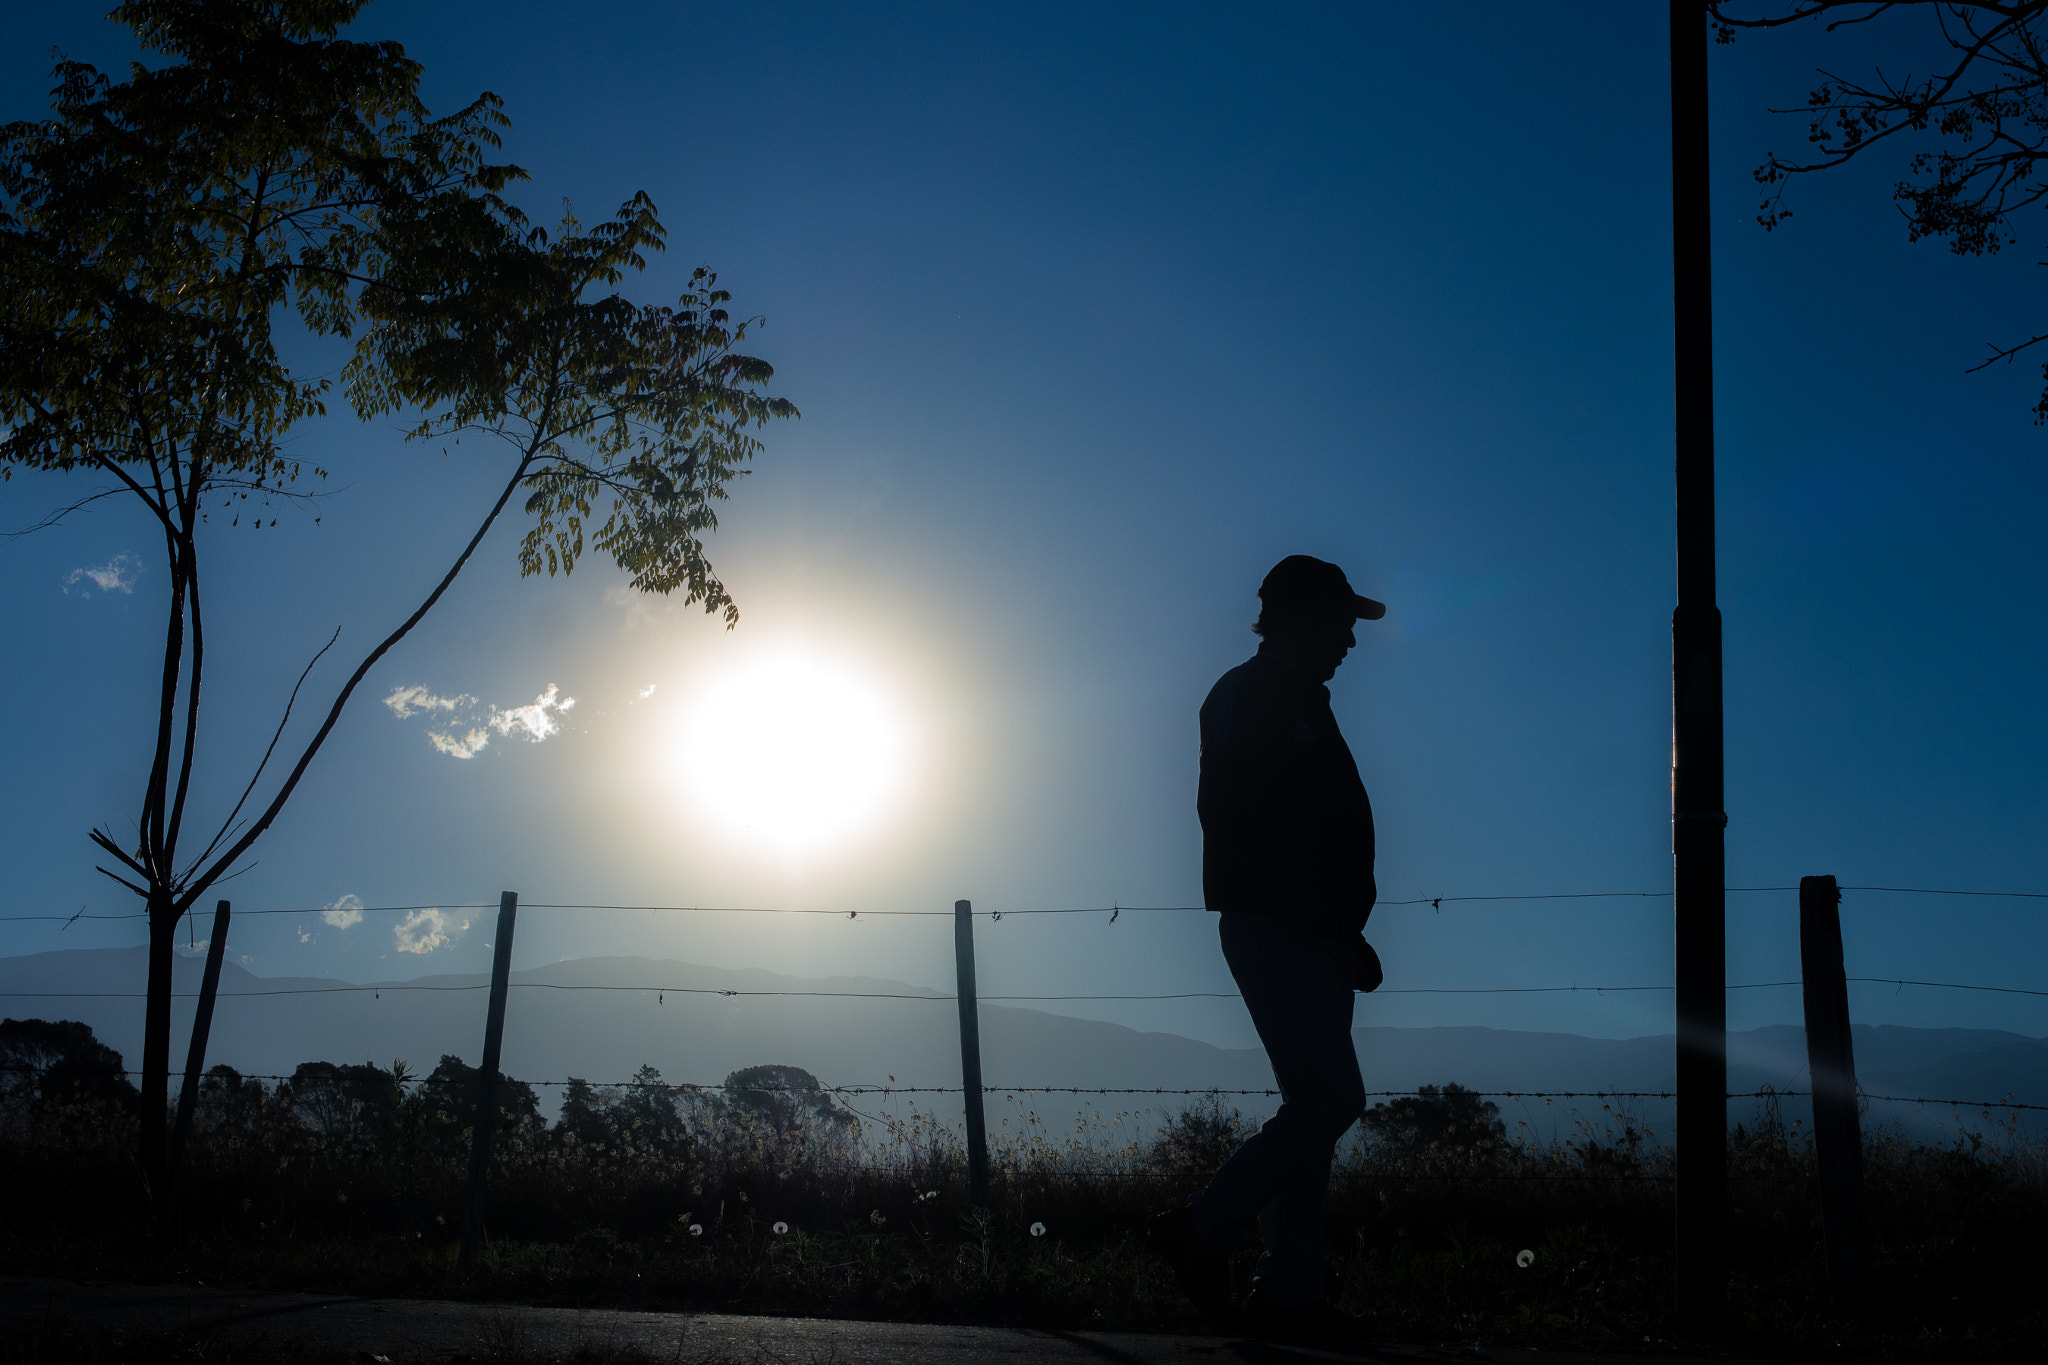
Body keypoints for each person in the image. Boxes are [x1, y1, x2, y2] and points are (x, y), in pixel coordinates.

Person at [1153, 553, 1385, 1342]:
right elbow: (1237, 811)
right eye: (1341, 620)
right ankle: (1204, 1227)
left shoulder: (1289, 696)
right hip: (1278, 920)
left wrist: (1345, 927)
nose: (1351, 639)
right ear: (1295, 616)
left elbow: (1306, 820)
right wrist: (1305, 903)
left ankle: (1289, 1294)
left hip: (1308, 926)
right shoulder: (1255, 695)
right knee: (1330, 1100)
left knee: (1312, 1106)